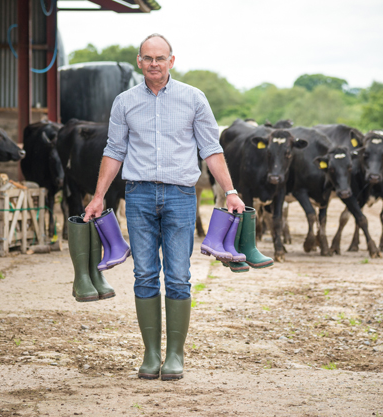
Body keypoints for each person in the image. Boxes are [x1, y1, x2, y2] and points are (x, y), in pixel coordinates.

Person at [83, 33, 245, 381]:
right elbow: (114, 151)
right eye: (147, 58)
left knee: (178, 276)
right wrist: (98, 197)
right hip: (138, 195)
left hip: (181, 197)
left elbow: (211, 149)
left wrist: (230, 190)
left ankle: (175, 355)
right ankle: (150, 354)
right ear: (139, 61)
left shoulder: (194, 99)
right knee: (143, 274)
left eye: (160, 58)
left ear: (172, 61)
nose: (154, 64)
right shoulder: (124, 102)